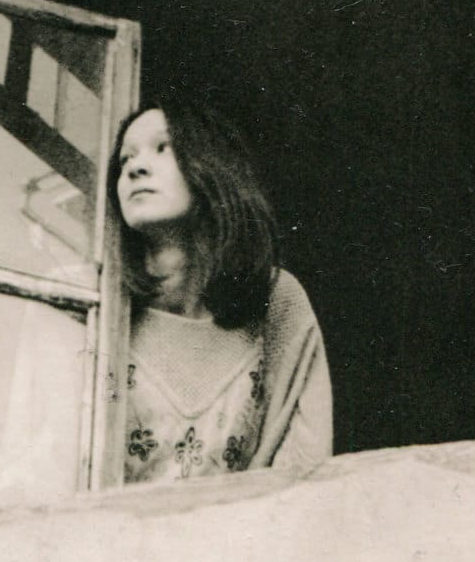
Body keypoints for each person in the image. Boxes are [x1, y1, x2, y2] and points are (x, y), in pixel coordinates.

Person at [111, 101, 332, 486]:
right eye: (124, 159)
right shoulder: (92, 298)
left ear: (212, 167)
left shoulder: (277, 301)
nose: (135, 167)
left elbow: (302, 470)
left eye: (163, 148)